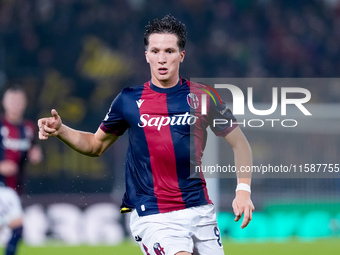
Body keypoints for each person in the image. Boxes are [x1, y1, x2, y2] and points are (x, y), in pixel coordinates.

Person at [38, 15, 254, 255]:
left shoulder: (204, 96)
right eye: (155, 50)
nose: (162, 58)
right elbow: (95, 145)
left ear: (181, 55)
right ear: (147, 55)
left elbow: (240, 144)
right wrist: (61, 130)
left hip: (200, 210)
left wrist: (243, 191)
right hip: (154, 214)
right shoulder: (128, 100)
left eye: (170, 51)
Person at [0, 85, 42, 255]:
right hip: (2, 187)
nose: (15, 104)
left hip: (15, 188)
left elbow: (32, 151)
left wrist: (34, 155)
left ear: (24, 103)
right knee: (17, 228)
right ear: (4, 102)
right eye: (12, 100)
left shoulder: (28, 128)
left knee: (14, 230)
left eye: (19, 101)